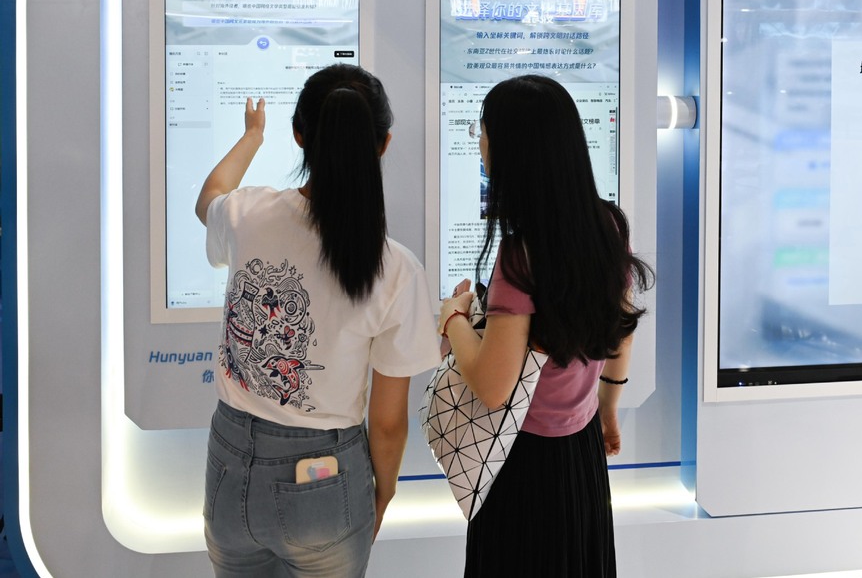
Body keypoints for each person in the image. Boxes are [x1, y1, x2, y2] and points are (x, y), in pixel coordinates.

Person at [195, 64, 440, 578]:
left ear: (299, 135)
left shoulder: (247, 214)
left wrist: (252, 136)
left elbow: (208, 198)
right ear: (383, 144)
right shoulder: (396, 269)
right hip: (325, 477)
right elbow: (388, 423)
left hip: (229, 464)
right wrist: (383, 492)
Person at [438, 75, 653, 578]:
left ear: (513, 153)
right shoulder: (608, 225)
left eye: (483, 132)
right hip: (581, 449)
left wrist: (453, 317)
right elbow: (619, 330)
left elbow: (493, 387)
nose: (480, 144)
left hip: (522, 460)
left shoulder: (521, 256)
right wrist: (608, 408)